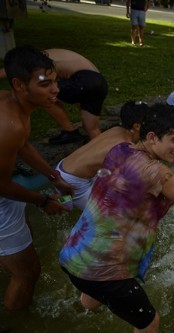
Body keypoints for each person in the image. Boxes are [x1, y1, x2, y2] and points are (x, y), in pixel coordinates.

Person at [59, 103, 174, 332]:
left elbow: (157, 184)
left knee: (92, 296)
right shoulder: (156, 171)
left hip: (75, 256)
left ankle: (77, 316)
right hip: (105, 272)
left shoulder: (121, 150)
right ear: (152, 137)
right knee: (150, 323)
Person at [0, 45, 74, 312]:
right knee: (28, 273)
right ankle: (15, 323)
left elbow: (24, 146)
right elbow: (2, 185)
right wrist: (43, 201)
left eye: (55, 81)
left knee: (25, 235)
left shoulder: (14, 104)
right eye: (46, 84)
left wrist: (53, 176)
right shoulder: (8, 125)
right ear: (20, 84)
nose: (55, 90)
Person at [0, 48, 108, 144]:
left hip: (84, 80)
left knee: (44, 96)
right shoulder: (51, 55)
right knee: (92, 129)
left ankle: (69, 131)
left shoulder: (39, 61)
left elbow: (9, 71)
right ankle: (106, 153)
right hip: (100, 83)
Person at [54, 100, 148, 210]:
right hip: (73, 182)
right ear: (137, 126)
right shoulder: (125, 147)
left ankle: (60, 200)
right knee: (119, 212)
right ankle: (57, 202)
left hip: (63, 168)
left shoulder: (116, 129)